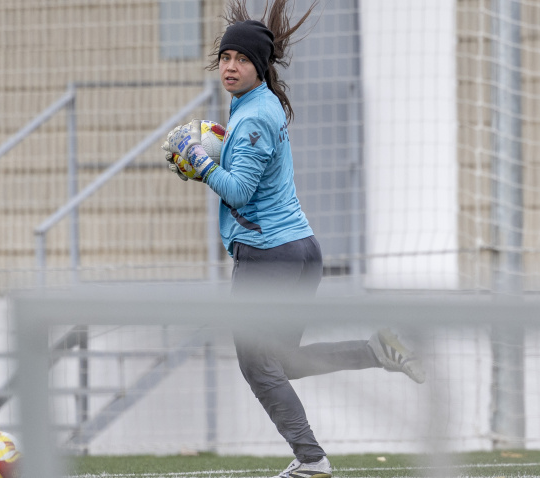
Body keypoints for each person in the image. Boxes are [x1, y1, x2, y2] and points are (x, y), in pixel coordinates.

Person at [162, 2, 425, 477]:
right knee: (280, 361)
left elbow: (239, 189)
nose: (230, 66)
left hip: (270, 259)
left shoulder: (255, 116)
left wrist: (198, 160)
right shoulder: (255, 107)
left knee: (257, 366)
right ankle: (377, 350)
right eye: (225, 57)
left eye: (241, 59)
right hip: (297, 252)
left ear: (259, 66)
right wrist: (211, 153)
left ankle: (311, 460)